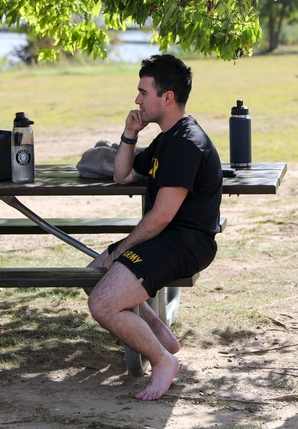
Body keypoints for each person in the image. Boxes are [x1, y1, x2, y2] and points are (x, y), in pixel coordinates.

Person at [88, 54, 222, 402]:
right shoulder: (167, 138)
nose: (137, 100)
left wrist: (121, 248)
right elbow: (122, 174)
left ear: (167, 97)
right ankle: (159, 332)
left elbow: (162, 216)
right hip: (167, 237)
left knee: (103, 304)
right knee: (93, 273)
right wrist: (129, 134)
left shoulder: (185, 143)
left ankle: (162, 360)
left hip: (185, 242)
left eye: (143, 92)